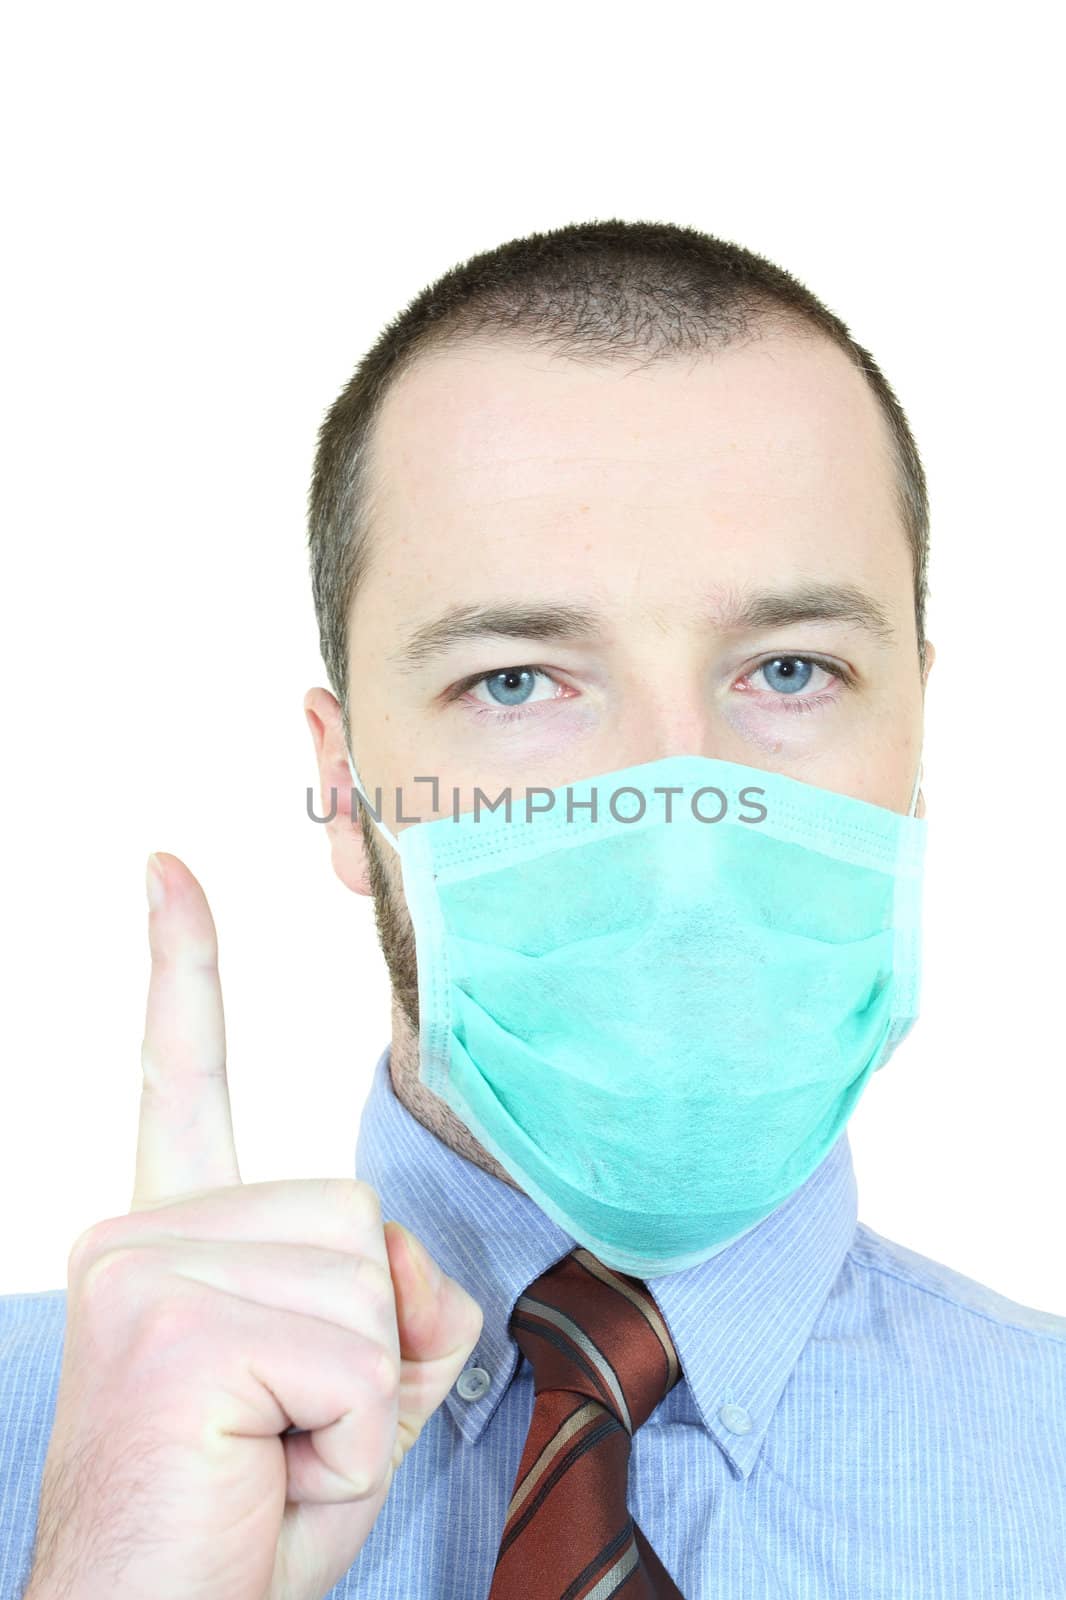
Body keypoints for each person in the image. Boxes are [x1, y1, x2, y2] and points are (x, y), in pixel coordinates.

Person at [2, 219, 1064, 1600]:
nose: (678, 831)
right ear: (342, 782)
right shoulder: (37, 1442)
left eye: (790, 671)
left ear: (916, 743)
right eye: (516, 682)